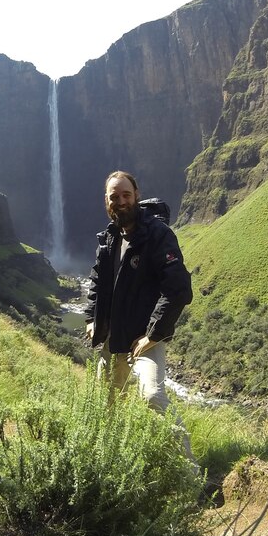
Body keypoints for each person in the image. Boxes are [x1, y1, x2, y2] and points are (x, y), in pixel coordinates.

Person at [84, 170, 194, 455]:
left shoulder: (158, 235)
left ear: (137, 196)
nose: (120, 201)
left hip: (144, 340)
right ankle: (108, 459)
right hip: (113, 338)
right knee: (105, 405)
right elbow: (98, 281)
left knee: (153, 396)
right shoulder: (109, 238)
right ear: (106, 202)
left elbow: (179, 289)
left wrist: (153, 335)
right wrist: (90, 318)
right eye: (114, 197)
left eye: (126, 195)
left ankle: (191, 472)